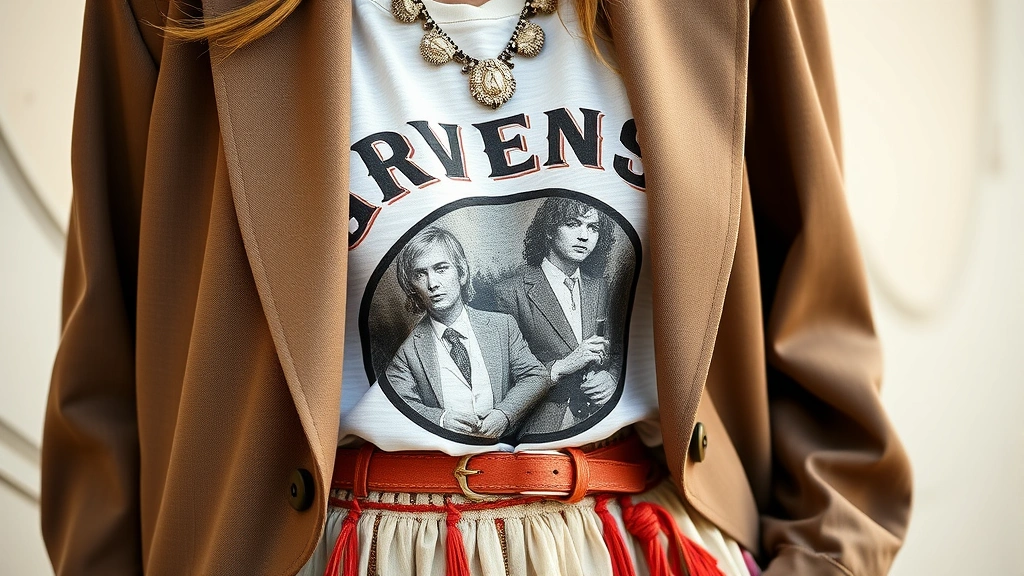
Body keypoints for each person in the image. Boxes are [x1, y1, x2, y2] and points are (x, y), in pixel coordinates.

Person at [40, 0, 913, 575]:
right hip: (337, 547)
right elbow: (108, 369)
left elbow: (814, 312)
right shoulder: (175, 10)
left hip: (642, 539)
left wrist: (823, 560)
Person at [384, 226, 550, 438]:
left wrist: (504, 414)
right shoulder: (408, 351)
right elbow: (394, 405)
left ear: (461, 273)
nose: (432, 283)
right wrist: (440, 420)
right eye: (420, 274)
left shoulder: (502, 326)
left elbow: (536, 376)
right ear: (412, 286)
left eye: (441, 268)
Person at [492, 197, 620, 435]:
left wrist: (612, 378)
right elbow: (499, 379)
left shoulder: (603, 287)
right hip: (541, 428)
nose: (584, 236)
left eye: (593, 228)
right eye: (573, 224)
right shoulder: (509, 293)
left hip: (603, 425)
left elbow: (622, 350)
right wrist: (561, 366)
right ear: (549, 230)